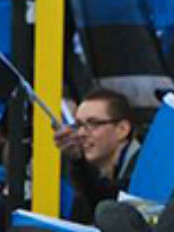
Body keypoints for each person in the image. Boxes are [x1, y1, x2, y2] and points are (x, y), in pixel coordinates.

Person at [55, 88, 140, 223]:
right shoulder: (89, 176)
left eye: (93, 124)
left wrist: (80, 164)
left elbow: (114, 207)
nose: (81, 133)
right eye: (78, 125)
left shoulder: (147, 172)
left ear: (122, 130)